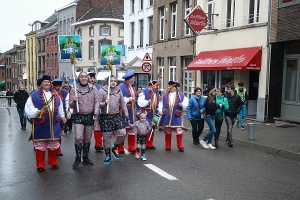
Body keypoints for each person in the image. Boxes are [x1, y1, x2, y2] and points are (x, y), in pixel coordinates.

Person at [25, 74, 66, 172]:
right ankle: (40, 164)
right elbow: (28, 107)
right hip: (41, 123)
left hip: (53, 123)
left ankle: (52, 161)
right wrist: (35, 112)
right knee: (40, 145)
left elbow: (60, 106)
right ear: (41, 84)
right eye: (45, 82)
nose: (47, 83)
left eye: (48, 82)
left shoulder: (55, 95)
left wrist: (63, 116)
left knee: (53, 144)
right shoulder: (34, 95)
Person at [69, 72, 100, 168]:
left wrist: (96, 113)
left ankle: (85, 156)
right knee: (78, 137)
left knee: (87, 138)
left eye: (85, 77)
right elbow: (70, 105)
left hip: (90, 116)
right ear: (79, 78)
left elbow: (97, 101)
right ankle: (78, 157)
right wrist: (74, 100)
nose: (84, 78)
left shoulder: (93, 88)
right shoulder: (74, 89)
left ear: (88, 78)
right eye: (81, 77)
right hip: (78, 115)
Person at [98, 75, 129, 165]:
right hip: (105, 117)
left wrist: (126, 114)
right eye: (111, 81)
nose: (113, 82)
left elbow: (123, 103)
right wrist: (104, 103)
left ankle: (114, 147)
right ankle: (108, 156)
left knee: (122, 133)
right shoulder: (102, 90)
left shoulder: (118, 90)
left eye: (115, 81)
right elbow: (97, 103)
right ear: (107, 81)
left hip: (116, 116)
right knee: (107, 138)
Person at [158, 81, 188, 152]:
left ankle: (180, 146)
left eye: (172, 86)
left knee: (179, 130)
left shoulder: (181, 95)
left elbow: (186, 102)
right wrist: (160, 110)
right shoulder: (165, 95)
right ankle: (167, 146)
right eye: (169, 86)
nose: (170, 88)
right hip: (167, 115)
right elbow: (160, 103)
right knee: (168, 131)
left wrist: (182, 105)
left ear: (175, 88)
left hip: (176, 115)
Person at [137, 80, 162, 150]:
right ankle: (143, 144)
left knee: (152, 128)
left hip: (154, 113)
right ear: (151, 85)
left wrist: (159, 110)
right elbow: (140, 102)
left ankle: (149, 144)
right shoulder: (144, 91)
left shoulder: (157, 93)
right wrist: (147, 102)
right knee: (144, 129)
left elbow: (159, 102)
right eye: (156, 86)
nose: (156, 88)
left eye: (157, 86)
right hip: (146, 113)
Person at [118, 70, 137, 154]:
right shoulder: (120, 87)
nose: (134, 80)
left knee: (132, 130)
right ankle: (120, 148)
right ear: (129, 79)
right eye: (133, 78)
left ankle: (132, 147)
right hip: (123, 113)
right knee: (122, 132)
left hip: (132, 112)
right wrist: (128, 99)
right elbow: (118, 99)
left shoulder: (131, 87)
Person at [52, 78, 70, 156]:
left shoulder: (65, 93)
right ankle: (53, 149)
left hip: (62, 115)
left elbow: (68, 103)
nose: (58, 87)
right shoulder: (51, 93)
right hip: (52, 116)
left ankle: (58, 149)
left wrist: (69, 112)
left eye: (59, 86)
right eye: (56, 86)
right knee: (53, 133)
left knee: (59, 133)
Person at [88, 72, 104, 152]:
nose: (92, 79)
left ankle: (98, 144)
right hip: (87, 111)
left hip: (97, 111)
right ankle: (86, 144)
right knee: (87, 129)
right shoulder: (85, 87)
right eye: (91, 78)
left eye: (93, 78)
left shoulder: (99, 88)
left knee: (97, 127)